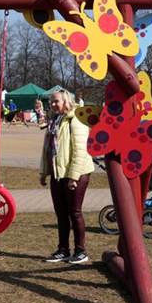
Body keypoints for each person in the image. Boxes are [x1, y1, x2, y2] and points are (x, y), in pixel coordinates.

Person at [39, 90, 94, 264]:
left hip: (75, 173)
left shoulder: (75, 120)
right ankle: (63, 250)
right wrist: (44, 171)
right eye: (51, 102)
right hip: (58, 173)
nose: (53, 104)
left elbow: (80, 151)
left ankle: (81, 251)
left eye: (56, 101)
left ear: (66, 101)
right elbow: (47, 149)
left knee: (74, 212)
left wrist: (74, 177)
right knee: (61, 213)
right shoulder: (54, 121)